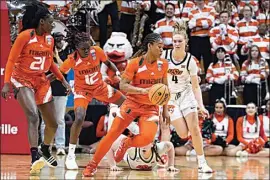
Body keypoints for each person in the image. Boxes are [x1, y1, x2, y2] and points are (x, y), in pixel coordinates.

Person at [82, 33, 170, 177]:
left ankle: (127, 143)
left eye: (163, 47)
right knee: (111, 135)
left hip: (151, 108)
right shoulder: (135, 63)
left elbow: (165, 89)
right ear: (150, 46)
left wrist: (165, 110)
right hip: (132, 104)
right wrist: (143, 90)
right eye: (159, 47)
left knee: (147, 138)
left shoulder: (163, 64)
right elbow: (123, 85)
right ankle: (92, 166)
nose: (162, 50)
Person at [1, 1, 71, 174]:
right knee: (33, 116)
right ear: (41, 22)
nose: (53, 24)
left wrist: (63, 80)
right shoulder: (25, 36)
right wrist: (6, 83)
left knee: (53, 123)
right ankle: (34, 157)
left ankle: (45, 148)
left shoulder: (50, 39)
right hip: (22, 79)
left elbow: (51, 64)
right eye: (50, 21)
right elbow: (11, 60)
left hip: (40, 80)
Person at [59, 32, 126, 170]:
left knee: (127, 104)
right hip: (83, 91)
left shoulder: (97, 51)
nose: (87, 51)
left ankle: (130, 139)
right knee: (79, 117)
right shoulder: (72, 59)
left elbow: (109, 63)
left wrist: (118, 75)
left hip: (100, 87)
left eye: (88, 48)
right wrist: (65, 85)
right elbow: (59, 73)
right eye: (84, 49)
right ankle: (70, 156)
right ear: (77, 47)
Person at [161, 21, 213, 173]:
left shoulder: (191, 61)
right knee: (183, 133)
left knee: (195, 129)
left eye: (179, 41)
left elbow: (196, 86)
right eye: (174, 41)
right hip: (170, 98)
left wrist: (201, 106)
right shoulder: (164, 56)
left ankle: (202, 163)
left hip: (186, 95)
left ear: (186, 42)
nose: (176, 43)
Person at [106, 117, 177, 172]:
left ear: (152, 143)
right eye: (141, 142)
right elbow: (108, 146)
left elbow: (170, 146)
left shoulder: (158, 148)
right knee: (119, 140)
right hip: (126, 154)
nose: (142, 145)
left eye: (145, 142)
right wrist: (112, 165)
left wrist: (171, 165)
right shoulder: (133, 150)